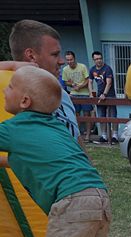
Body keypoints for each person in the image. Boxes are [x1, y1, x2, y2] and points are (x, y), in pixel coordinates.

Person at [0, 66, 111, 237]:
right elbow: (26, 160)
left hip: (71, 200)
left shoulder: (15, 128)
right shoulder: (55, 126)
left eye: (10, 87)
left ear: (24, 102)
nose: (5, 90)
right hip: (97, 196)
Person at [2, 20, 83, 148]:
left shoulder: (60, 93)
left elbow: (76, 139)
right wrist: (12, 65)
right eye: (55, 54)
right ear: (31, 56)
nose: (62, 61)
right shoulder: (10, 94)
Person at [61, 50, 93, 142]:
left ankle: (88, 134)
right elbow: (65, 82)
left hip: (85, 93)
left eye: (71, 59)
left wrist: (80, 86)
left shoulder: (82, 67)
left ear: (74, 59)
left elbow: (88, 80)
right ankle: (77, 134)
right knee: (76, 115)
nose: (69, 62)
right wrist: (72, 85)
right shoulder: (65, 69)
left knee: (87, 114)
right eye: (68, 60)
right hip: (73, 94)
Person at [88, 51, 117, 144]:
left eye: (100, 58)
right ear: (93, 60)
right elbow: (90, 82)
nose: (99, 60)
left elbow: (109, 83)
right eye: (96, 59)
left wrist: (104, 94)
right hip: (99, 95)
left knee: (113, 116)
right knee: (101, 115)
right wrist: (90, 93)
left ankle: (115, 135)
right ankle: (104, 135)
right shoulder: (92, 69)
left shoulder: (107, 68)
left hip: (110, 95)